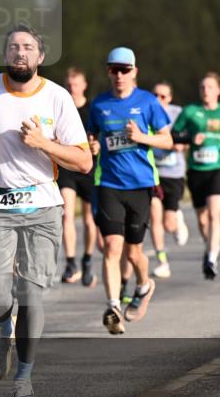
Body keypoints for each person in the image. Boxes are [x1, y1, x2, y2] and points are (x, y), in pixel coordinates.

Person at [0, 24, 91, 397]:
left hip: (43, 207)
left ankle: (24, 380)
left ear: (40, 57)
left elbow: (84, 161)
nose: (20, 53)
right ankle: (1, 324)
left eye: (28, 47)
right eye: (13, 47)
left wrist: (43, 143)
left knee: (32, 296)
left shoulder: (57, 98)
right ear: (5, 55)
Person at [87, 48, 172, 333]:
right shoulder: (99, 105)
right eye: (114, 70)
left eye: (125, 70)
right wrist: (93, 146)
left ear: (134, 71)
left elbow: (167, 140)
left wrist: (140, 137)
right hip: (109, 184)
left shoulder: (147, 102)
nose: (119, 75)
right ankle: (112, 306)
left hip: (140, 185)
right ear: (108, 71)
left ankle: (145, 285)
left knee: (134, 253)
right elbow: (91, 137)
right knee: (112, 247)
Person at [170, 73, 220, 280]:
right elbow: (175, 133)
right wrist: (191, 137)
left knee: (213, 214)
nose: (206, 91)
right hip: (196, 171)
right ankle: (209, 246)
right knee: (202, 220)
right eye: (202, 87)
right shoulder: (190, 111)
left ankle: (212, 257)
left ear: (218, 90)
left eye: (210, 87)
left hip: (219, 168)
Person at [57, 67, 98, 287]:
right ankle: (71, 262)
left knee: (91, 220)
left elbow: (101, 135)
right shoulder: (62, 108)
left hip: (89, 168)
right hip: (66, 168)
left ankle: (88, 259)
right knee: (67, 215)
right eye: (69, 84)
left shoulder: (93, 109)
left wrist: (97, 144)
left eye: (76, 84)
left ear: (84, 86)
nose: (72, 88)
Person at [147, 81, 190, 280]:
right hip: (153, 173)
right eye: (155, 95)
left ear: (170, 98)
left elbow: (189, 135)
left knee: (169, 224)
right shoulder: (146, 112)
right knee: (155, 216)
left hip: (174, 174)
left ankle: (177, 216)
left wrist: (183, 144)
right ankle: (162, 261)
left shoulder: (177, 114)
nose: (158, 99)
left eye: (163, 96)